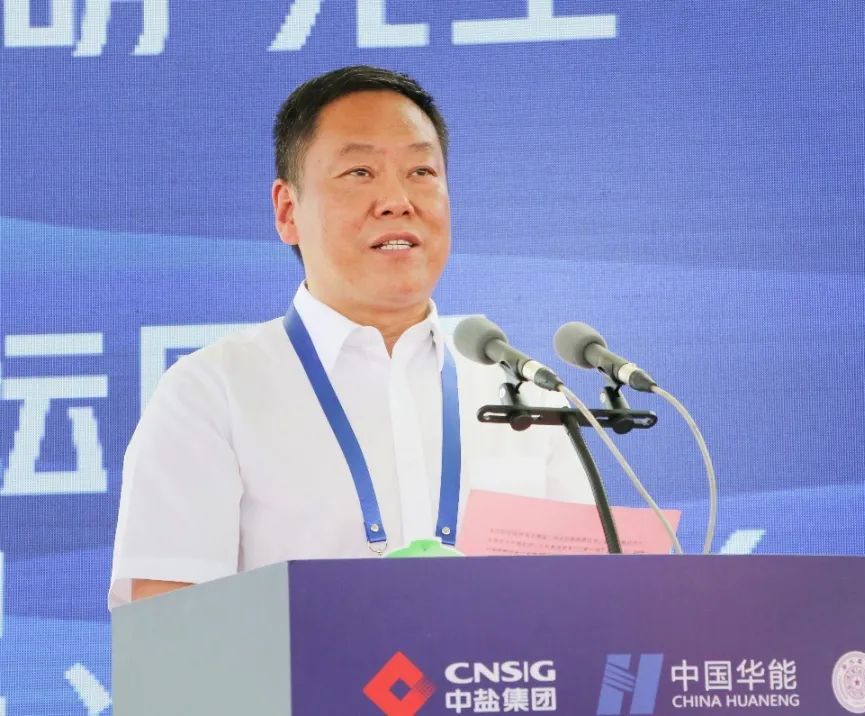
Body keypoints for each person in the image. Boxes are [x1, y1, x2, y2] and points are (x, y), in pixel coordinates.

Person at [108, 66, 591, 609]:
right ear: (288, 211)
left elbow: (587, 605)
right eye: (360, 172)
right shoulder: (212, 393)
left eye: (422, 171)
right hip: (295, 671)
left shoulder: (526, 393)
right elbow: (167, 625)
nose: (397, 200)